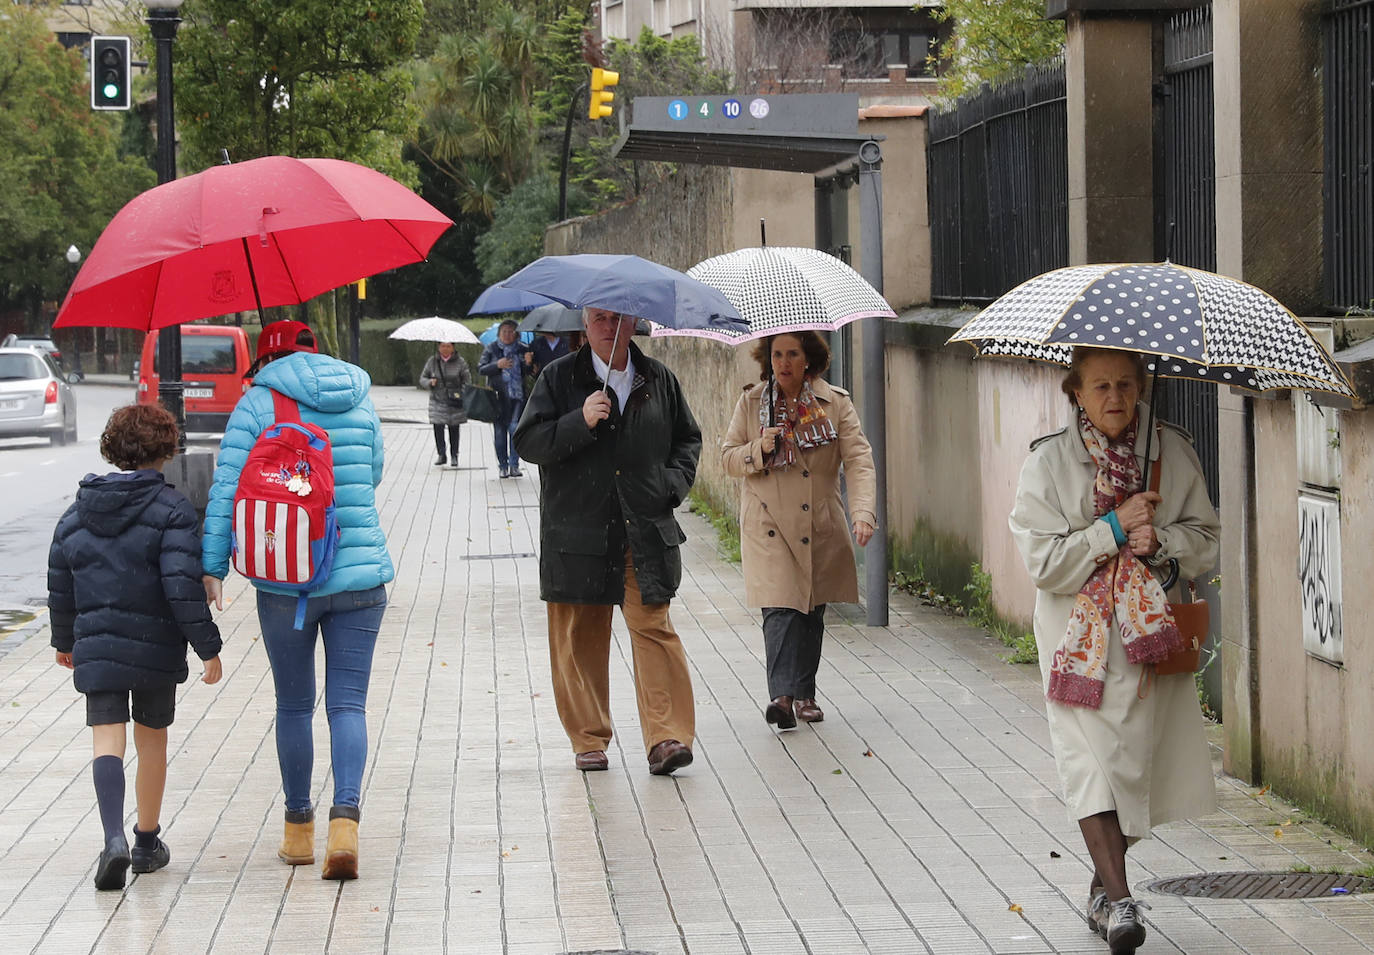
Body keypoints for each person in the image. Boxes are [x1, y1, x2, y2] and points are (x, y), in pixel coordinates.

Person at [1008, 347, 1220, 954]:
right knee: (1091, 766)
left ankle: (1104, 888)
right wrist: (1115, 529)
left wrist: (1161, 545)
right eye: (1100, 385)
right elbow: (1045, 563)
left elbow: (1207, 539)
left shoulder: (1172, 451)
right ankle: (1123, 903)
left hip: (1150, 644)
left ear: (1143, 386)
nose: (1116, 397)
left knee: (1134, 769)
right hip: (1079, 647)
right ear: (1075, 391)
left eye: (1127, 383)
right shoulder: (1047, 464)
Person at [201, 320, 393, 882]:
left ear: (262, 360)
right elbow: (374, 473)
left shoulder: (258, 404)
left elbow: (226, 488)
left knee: (293, 705)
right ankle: (346, 826)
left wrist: (213, 566)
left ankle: (297, 833)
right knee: (348, 705)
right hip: (358, 576)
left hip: (286, 579)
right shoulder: (359, 393)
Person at [514, 307, 700, 776]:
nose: (607, 325)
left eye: (616, 316)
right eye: (598, 317)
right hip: (578, 533)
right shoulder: (559, 378)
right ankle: (588, 738)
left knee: (654, 628)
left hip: (643, 529)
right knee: (580, 636)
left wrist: (670, 486)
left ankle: (667, 736)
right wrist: (579, 420)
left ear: (634, 321)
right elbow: (530, 443)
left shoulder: (658, 378)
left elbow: (687, 440)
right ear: (584, 323)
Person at [47, 404, 223, 891]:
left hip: (99, 646)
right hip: (154, 647)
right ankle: (146, 841)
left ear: (114, 449)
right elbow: (180, 585)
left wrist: (64, 641)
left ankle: (112, 840)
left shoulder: (76, 511)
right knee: (151, 740)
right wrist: (207, 646)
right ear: (167, 449)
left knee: (107, 739)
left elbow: (60, 584)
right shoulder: (172, 510)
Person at [720, 332, 876, 730]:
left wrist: (863, 512)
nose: (784, 363)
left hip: (817, 518)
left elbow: (858, 459)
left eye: (792, 354)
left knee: (810, 609)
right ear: (767, 358)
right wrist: (758, 448)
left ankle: (804, 693)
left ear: (809, 359)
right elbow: (728, 458)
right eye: (777, 355)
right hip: (767, 521)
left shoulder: (835, 403)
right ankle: (782, 697)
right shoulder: (752, 402)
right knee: (780, 607)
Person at [478, 319, 533, 478]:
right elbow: (481, 369)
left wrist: (528, 363)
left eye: (511, 331)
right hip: (498, 397)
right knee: (500, 433)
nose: (508, 335)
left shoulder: (523, 349)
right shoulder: (492, 349)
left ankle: (514, 465)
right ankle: (503, 465)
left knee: (515, 430)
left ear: (517, 333)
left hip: (517, 397)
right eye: (505, 331)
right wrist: (497, 365)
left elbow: (528, 372)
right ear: (499, 333)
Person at [419, 342, 471, 467]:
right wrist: (430, 382)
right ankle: (441, 454)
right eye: (443, 346)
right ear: (438, 347)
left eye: (448, 346)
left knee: (454, 428)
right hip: (437, 399)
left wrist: (460, 392)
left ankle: (454, 455)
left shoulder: (460, 362)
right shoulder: (432, 361)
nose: (445, 349)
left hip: (455, 400)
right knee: (438, 426)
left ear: (453, 347)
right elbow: (422, 378)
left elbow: (467, 380)